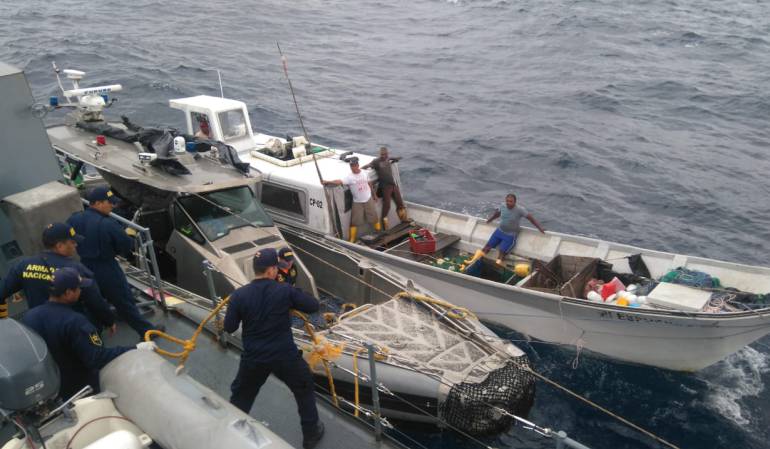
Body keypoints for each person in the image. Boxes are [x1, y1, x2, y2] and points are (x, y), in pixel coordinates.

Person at [224, 248, 324, 449]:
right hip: (284, 356)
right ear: (271, 270)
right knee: (303, 388)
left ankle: (232, 434)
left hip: (254, 357)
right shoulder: (284, 290)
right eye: (276, 268)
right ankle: (311, 434)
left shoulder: (239, 295)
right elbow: (313, 305)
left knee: (242, 395)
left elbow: (229, 327)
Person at [22, 267, 156, 399]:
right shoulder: (75, 322)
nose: (81, 291)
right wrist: (136, 348)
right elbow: (97, 358)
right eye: (78, 288)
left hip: (49, 387)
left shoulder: (29, 317)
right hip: (80, 389)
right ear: (68, 293)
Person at [67, 187, 160, 339]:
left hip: (83, 266)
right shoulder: (108, 224)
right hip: (107, 268)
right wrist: (128, 236)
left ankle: (93, 336)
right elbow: (125, 246)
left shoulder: (74, 219)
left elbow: (69, 237)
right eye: (109, 203)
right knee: (124, 300)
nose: (113, 206)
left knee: (92, 301)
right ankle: (146, 331)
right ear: (97, 203)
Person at [0, 223, 116, 333]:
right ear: (59, 246)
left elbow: (3, 290)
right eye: (72, 242)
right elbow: (95, 299)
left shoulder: (23, 265)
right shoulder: (76, 269)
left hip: (39, 328)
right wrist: (109, 321)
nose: (76, 245)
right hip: (73, 328)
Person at [471, 193, 545, 266]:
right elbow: (497, 214)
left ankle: (497, 267)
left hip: (510, 235)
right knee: (486, 248)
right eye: (507, 201)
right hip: (499, 231)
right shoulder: (502, 205)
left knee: (501, 254)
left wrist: (540, 228)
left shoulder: (520, 210)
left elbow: (531, 219)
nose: (508, 203)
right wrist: (490, 219)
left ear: (515, 202)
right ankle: (473, 262)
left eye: (510, 201)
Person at [322, 157, 381, 242]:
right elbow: (339, 181)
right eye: (351, 166)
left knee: (374, 216)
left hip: (368, 199)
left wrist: (374, 195)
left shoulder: (365, 173)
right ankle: (352, 239)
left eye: (354, 165)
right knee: (354, 221)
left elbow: (369, 183)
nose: (353, 167)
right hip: (357, 202)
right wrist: (327, 181)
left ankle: (378, 232)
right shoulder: (349, 177)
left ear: (358, 165)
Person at [362, 146, 408, 229]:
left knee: (400, 203)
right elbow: (368, 165)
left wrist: (397, 159)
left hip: (393, 185)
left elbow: (394, 159)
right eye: (382, 154)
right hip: (385, 186)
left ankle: (404, 220)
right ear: (380, 154)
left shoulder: (388, 159)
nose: (383, 156)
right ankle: (384, 224)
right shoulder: (376, 161)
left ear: (387, 154)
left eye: (385, 154)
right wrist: (361, 169)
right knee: (387, 205)